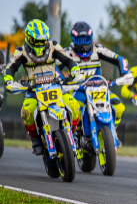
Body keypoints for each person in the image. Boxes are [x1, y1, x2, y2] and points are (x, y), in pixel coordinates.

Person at [3, 20, 81, 155]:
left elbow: (69, 60)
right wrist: (9, 80)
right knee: (27, 110)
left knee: (74, 105)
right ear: (28, 38)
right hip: (33, 91)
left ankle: (72, 134)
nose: (39, 45)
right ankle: (35, 140)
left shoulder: (53, 46)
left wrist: (74, 70)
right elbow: (11, 68)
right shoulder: (21, 52)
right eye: (36, 41)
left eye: (42, 41)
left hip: (56, 88)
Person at [65, 21, 129, 129]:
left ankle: (112, 132)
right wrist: (62, 80)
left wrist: (125, 74)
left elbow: (119, 59)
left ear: (91, 37)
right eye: (79, 40)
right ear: (73, 39)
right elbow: (55, 69)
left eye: (85, 39)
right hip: (78, 90)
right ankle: (74, 135)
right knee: (75, 108)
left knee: (119, 107)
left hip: (100, 88)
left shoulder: (98, 49)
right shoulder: (67, 53)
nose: (83, 44)